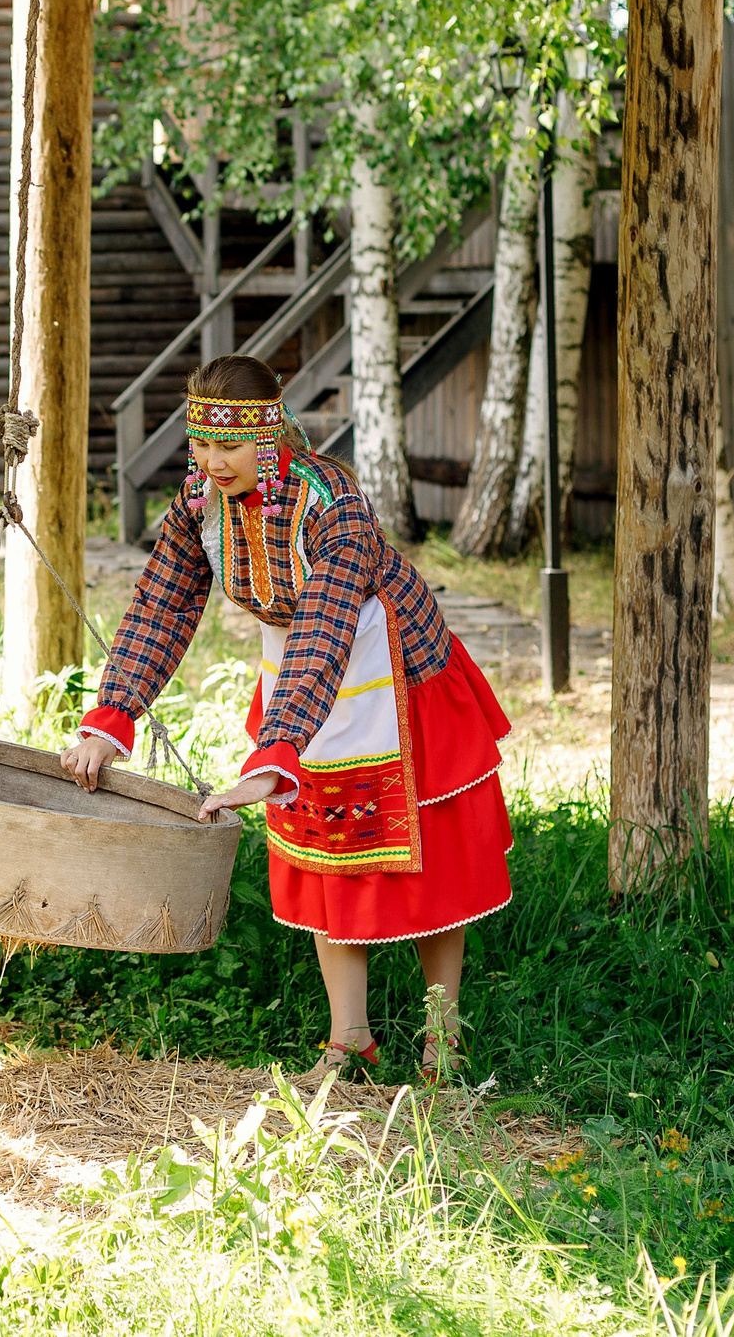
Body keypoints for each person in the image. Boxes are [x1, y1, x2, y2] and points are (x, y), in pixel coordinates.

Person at [63, 355, 514, 1085]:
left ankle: (444, 1040)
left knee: (428, 863)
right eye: (200, 444)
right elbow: (162, 603)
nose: (212, 462)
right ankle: (349, 1040)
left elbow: (329, 621)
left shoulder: (334, 501)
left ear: (269, 435)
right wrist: (111, 717)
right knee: (323, 849)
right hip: (299, 676)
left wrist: (277, 750)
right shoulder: (201, 501)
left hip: (391, 674)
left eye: (229, 446)